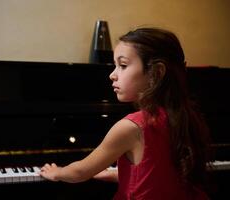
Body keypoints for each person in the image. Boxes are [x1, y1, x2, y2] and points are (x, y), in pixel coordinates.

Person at [40, 27, 211, 200]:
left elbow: (80, 172)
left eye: (122, 65)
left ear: (157, 72)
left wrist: (58, 172)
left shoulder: (131, 127)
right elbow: (163, 175)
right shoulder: (187, 116)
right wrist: (117, 175)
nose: (112, 75)